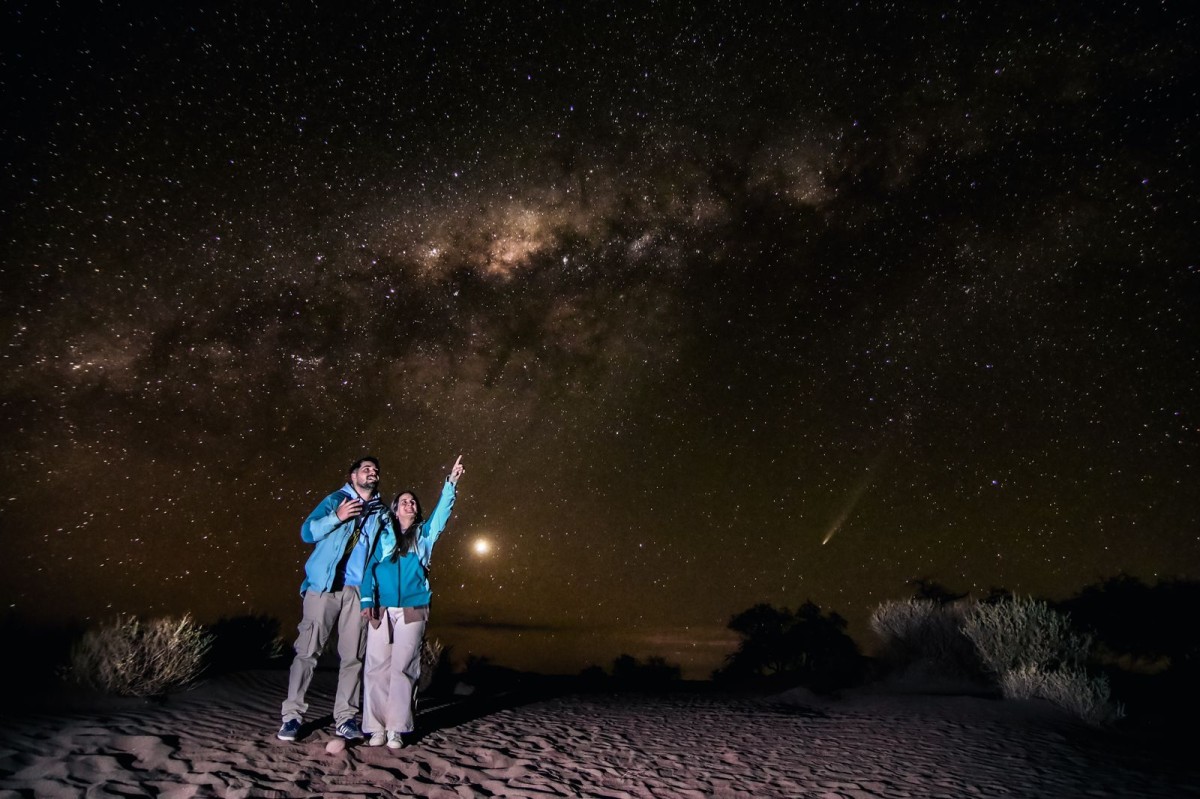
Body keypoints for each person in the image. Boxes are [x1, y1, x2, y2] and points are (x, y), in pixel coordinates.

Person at [277, 455, 394, 742]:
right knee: (307, 652)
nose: (372, 472)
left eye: (375, 470)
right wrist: (338, 517)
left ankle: (345, 718)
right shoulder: (335, 500)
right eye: (366, 469)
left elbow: (386, 550)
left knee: (353, 657)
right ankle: (292, 717)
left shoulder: (380, 512)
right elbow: (308, 532)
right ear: (353, 476)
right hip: (323, 588)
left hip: (357, 592)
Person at [359, 455, 465, 749]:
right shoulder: (383, 536)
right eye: (403, 501)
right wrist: (366, 599)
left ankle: (397, 728)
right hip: (381, 606)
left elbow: (442, 513)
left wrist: (451, 483)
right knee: (376, 667)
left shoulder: (424, 535)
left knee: (404, 667)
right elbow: (369, 568)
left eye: (413, 502)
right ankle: (375, 728)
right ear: (395, 509)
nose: (409, 504)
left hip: (413, 606)